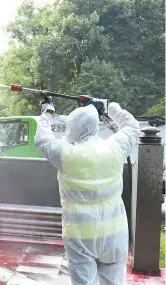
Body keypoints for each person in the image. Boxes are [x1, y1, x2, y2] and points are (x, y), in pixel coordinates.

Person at [35, 97, 140, 285]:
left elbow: (42, 138)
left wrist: (48, 112)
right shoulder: (115, 147)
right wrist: (112, 109)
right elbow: (132, 127)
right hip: (114, 235)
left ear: (74, 128)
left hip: (80, 237)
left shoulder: (64, 153)